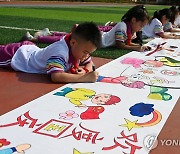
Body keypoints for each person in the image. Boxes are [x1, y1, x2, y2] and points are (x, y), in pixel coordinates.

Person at [0, 22, 101, 83]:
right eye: (85, 52)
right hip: (18, 56)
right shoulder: (60, 52)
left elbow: (89, 62)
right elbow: (56, 76)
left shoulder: (78, 49)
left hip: (31, 50)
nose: (86, 56)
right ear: (73, 42)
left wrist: (86, 71)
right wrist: (84, 78)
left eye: (89, 53)